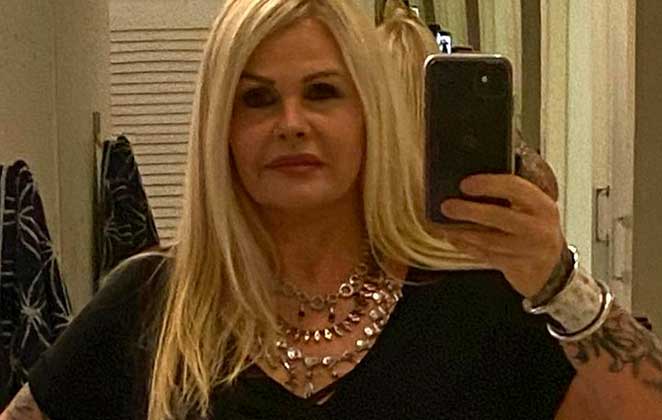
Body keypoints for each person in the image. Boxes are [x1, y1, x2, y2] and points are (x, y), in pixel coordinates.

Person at [2, 0, 661, 419]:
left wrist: (558, 283)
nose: (291, 122)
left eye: (322, 93)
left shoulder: (480, 298)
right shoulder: (153, 302)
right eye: (257, 99)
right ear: (220, 130)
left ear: (369, 115)